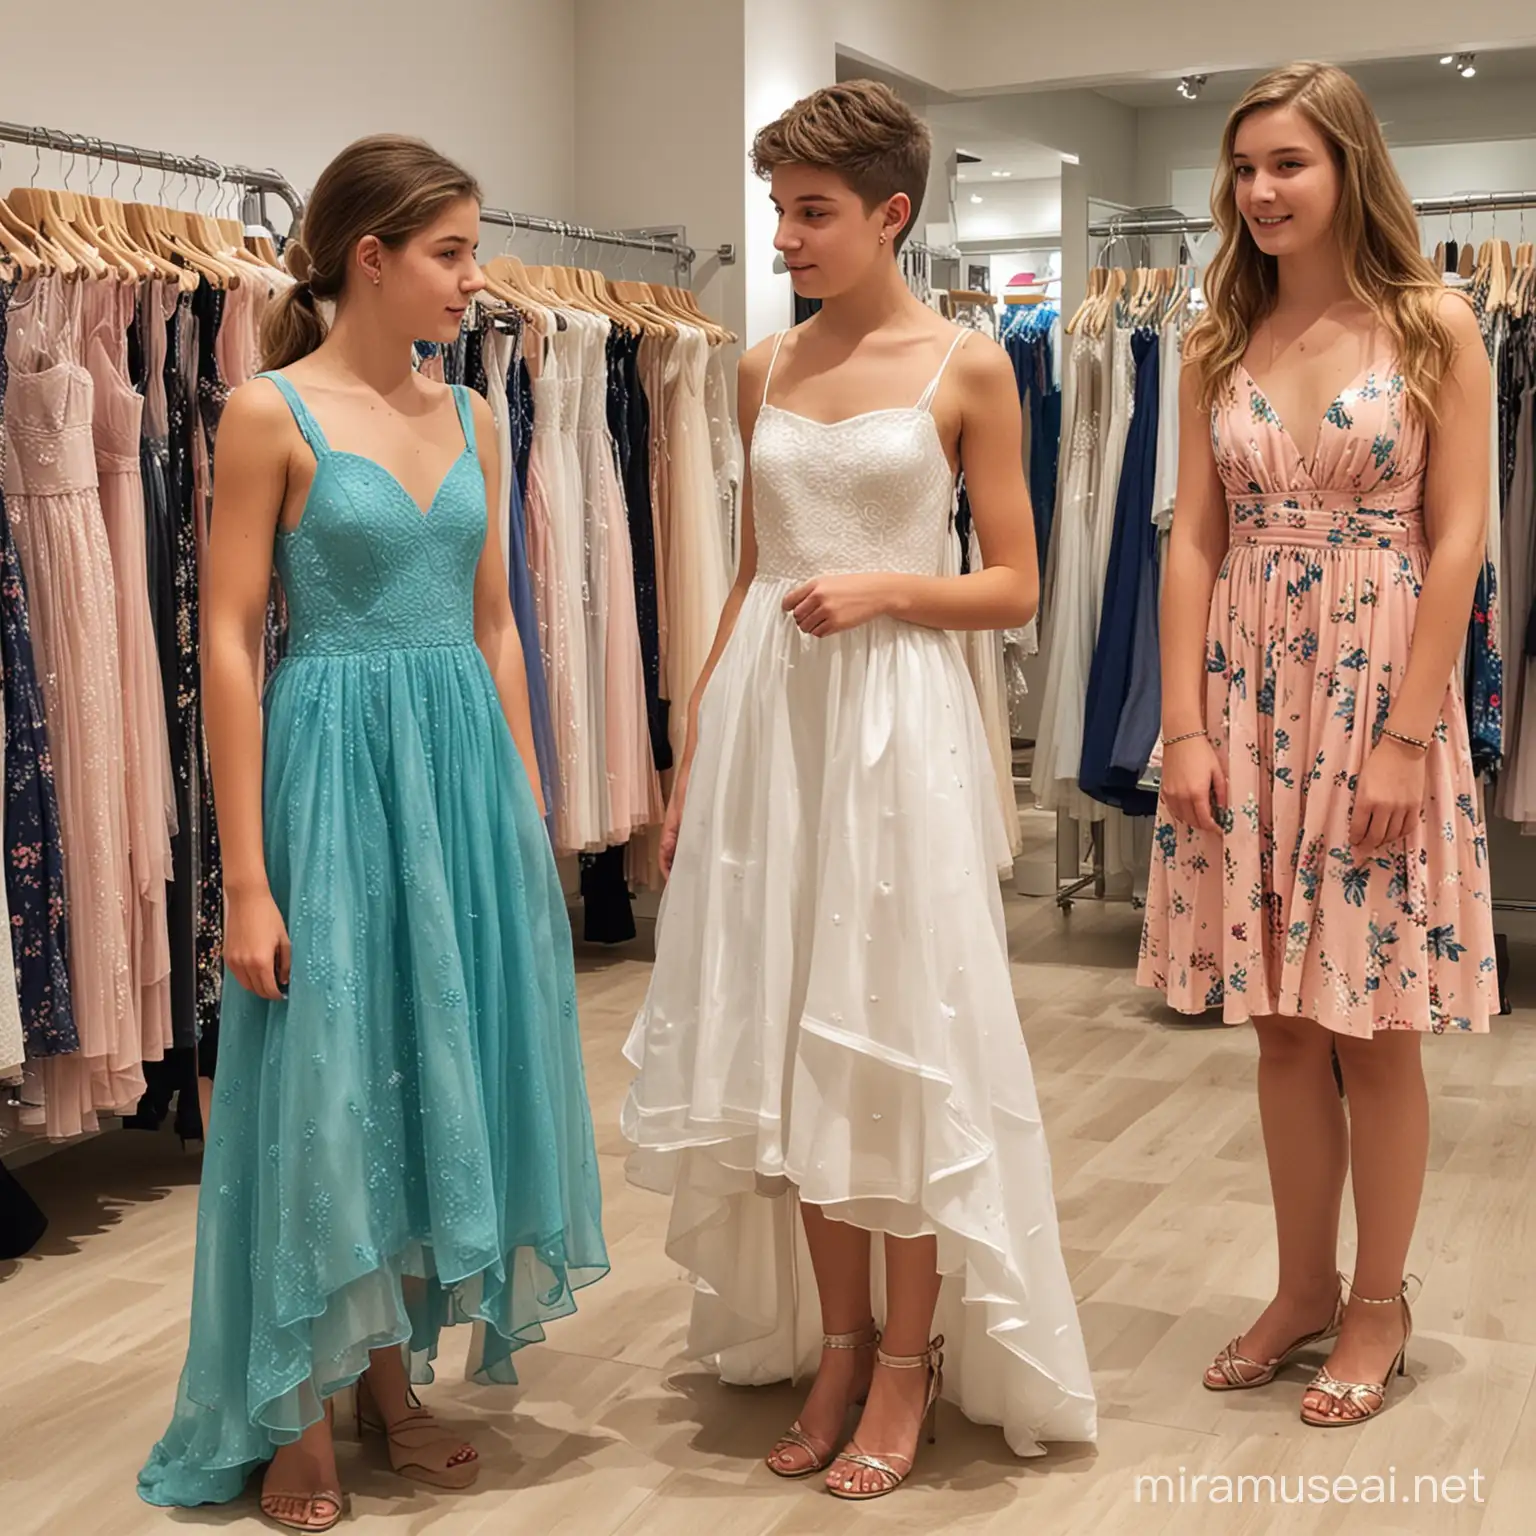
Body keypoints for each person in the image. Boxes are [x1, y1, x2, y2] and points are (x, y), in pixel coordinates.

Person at [621, 81, 1096, 1501]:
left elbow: (1015, 581)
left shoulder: (968, 366)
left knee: (896, 1025)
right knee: (788, 1033)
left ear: (892, 213)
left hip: (900, 721)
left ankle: (909, 1355)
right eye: (777, 208)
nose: (784, 235)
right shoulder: (761, 369)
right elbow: (756, 566)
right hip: (780, 720)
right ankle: (837, 1343)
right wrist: (696, 739)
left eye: (812, 211)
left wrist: (892, 586)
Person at [138, 136, 609, 1529]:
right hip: (330, 773)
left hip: (458, 773)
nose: (477, 279)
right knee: (329, 1077)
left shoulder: (476, 415)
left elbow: (495, 624)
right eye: (454, 253)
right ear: (373, 257)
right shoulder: (265, 412)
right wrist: (247, 878)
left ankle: (391, 1379)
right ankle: (295, 1405)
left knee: (427, 1058)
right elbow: (228, 639)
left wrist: (527, 811)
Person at [1139, 62, 1495, 1426]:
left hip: (1378, 688)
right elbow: (1192, 543)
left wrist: (1408, 737)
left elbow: (1459, 534)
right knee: (1281, 1028)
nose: (1260, 192)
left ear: (1349, 166)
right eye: (1242, 170)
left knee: (1375, 1024)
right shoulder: (1217, 339)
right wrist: (1181, 725)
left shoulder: (1434, 324)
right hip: (1246, 692)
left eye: (1287, 163)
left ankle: (1378, 1304)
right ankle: (1300, 1285)